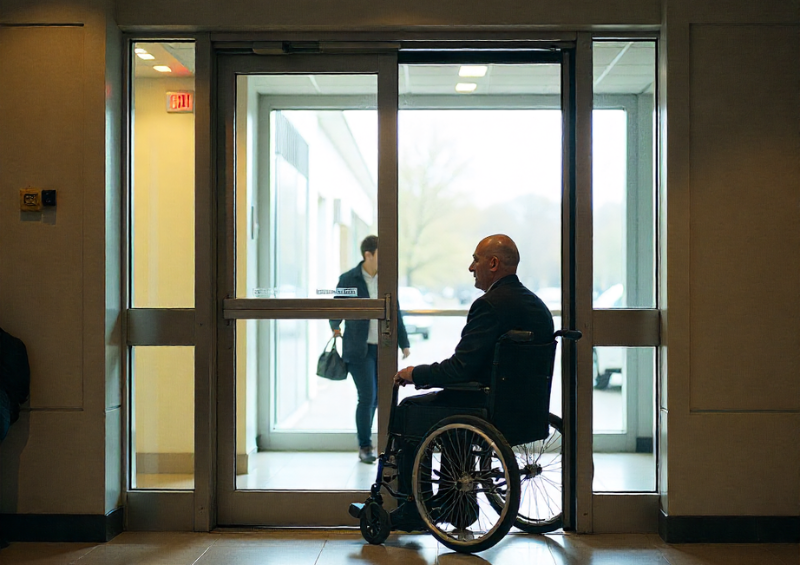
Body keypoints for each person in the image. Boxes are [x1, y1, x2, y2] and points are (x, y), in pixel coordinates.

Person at [390, 234, 554, 530]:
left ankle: (415, 508)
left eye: (476, 260)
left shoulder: (489, 305)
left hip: (485, 405)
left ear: (492, 263)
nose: (470, 267)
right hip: (523, 406)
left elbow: (459, 370)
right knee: (452, 407)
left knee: (410, 410)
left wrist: (415, 374)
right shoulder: (536, 306)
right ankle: (459, 506)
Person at [330, 235, 411, 464]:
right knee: (367, 396)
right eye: (380, 254)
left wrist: (403, 342)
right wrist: (335, 327)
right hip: (358, 348)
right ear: (368, 255)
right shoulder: (349, 278)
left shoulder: (387, 278)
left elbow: (395, 310)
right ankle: (365, 446)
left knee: (378, 399)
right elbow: (336, 305)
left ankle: (378, 444)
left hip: (383, 347)